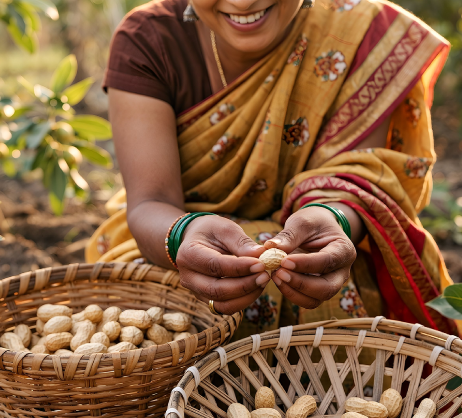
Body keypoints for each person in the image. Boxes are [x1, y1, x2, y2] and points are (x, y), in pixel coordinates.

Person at [86, 0, 460, 336]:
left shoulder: (364, 35)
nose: (244, 1)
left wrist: (333, 220)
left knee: (339, 285)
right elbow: (149, 202)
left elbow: (359, 182)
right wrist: (183, 234)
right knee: (157, 316)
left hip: (314, 258)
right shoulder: (148, 40)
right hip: (185, 249)